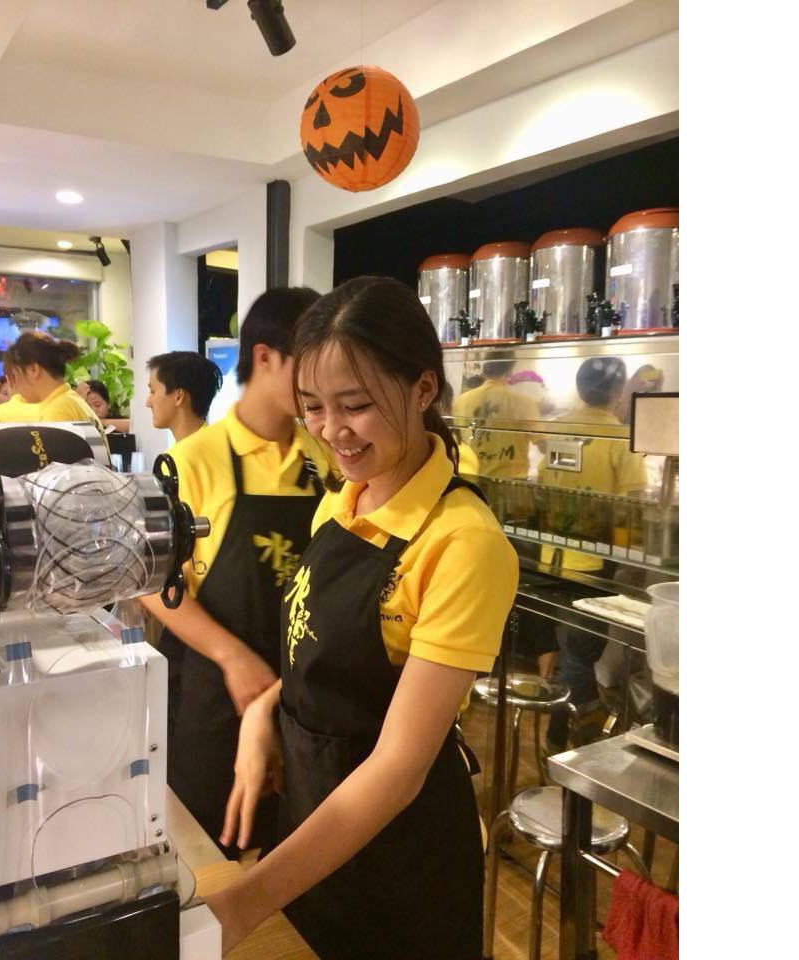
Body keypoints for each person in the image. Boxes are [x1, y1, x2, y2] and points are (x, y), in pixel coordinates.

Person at [204, 276, 518, 958]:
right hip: (312, 830)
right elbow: (322, 656)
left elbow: (399, 767)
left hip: (397, 862)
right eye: (313, 407)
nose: (330, 431)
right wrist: (265, 714)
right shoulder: (342, 498)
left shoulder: (464, 542)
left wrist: (243, 902)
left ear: (424, 388)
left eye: (355, 406)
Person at [139, 287, 330, 858]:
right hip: (212, 693)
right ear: (265, 357)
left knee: (293, 849)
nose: (323, 382)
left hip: (301, 696)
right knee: (206, 854)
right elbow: (148, 582)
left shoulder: (323, 457)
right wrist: (231, 655)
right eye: (311, 363)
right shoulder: (190, 461)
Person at [538, 356, 648, 753]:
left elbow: (543, 486)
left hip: (552, 555)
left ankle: (563, 729)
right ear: (618, 393)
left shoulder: (558, 428)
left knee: (570, 649)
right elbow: (634, 504)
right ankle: (569, 734)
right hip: (594, 559)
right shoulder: (620, 437)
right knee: (581, 653)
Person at [0, 332, 108, 446]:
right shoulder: (71, 399)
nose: (14, 386)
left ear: (33, 369)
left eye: (14, 377)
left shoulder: (58, 410)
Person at [451, 359, 539, 480]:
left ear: (484, 371)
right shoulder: (524, 403)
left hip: (471, 477)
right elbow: (544, 446)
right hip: (511, 481)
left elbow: (457, 439)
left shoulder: (461, 401)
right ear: (509, 371)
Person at [145, 351, 224, 444]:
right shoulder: (216, 445)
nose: (147, 403)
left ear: (179, 396)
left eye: (153, 391)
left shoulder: (187, 452)